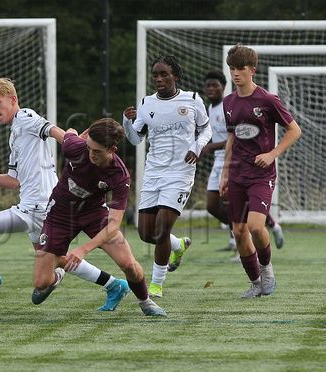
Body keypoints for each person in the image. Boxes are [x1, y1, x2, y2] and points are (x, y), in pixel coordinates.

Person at [0, 77, 130, 311]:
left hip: (37, 207)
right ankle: (113, 285)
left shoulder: (25, 116)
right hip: (40, 207)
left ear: (12, 99)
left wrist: (74, 143)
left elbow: (52, 130)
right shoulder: (15, 132)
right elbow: (12, 182)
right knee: (52, 267)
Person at [32, 118, 167, 316]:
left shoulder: (120, 175)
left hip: (94, 214)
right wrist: (74, 134)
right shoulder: (75, 147)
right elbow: (64, 132)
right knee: (41, 282)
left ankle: (145, 302)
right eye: (89, 148)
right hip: (60, 213)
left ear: (112, 150)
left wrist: (83, 250)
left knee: (129, 264)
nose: (90, 154)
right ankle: (58, 274)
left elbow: (113, 226)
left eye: (97, 151)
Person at [123, 55, 212, 298]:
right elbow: (135, 139)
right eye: (155, 75)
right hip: (153, 173)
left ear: (175, 76)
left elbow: (206, 129)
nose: (159, 79)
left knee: (161, 228)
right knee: (145, 233)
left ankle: (156, 285)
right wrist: (126, 121)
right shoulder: (145, 103)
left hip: (180, 173)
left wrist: (197, 146)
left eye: (164, 74)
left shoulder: (192, 99)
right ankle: (178, 245)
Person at [220, 44, 301, 298]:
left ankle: (267, 270)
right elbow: (231, 139)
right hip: (236, 175)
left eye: (240, 69)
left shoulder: (267, 99)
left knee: (256, 227)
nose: (235, 74)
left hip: (261, 175)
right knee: (239, 231)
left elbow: (294, 130)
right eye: (232, 69)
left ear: (252, 70)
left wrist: (272, 154)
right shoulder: (228, 102)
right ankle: (255, 282)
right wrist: (224, 173)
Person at [201, 70, 285, 254]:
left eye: (215, 85)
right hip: (221, 161)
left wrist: (209, 147)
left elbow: (235, 137)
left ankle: (258, 231)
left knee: (241, 206)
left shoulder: (233, 104)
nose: (211, 88)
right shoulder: (210, 108)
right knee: (213, 205)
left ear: (223, 87)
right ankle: (239, 235)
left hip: (239, 161)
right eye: (208, 85)